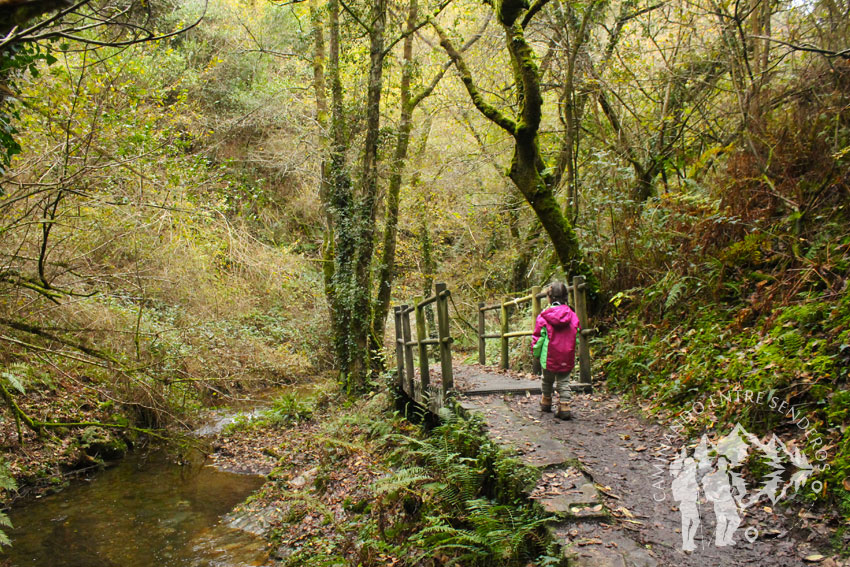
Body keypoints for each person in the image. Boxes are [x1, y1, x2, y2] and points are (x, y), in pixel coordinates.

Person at [531, 281, 580, 420]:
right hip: (567, 353)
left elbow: (539, 337)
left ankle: (546, 401)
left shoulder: (544, 316)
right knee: (564, 381)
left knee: (547, 379)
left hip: (549, 355)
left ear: (549, 297)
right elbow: (576, 334)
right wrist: (573, 349)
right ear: (565, 296)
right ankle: (565, 406)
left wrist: (536, 353)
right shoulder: (572, 315)